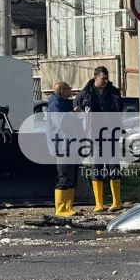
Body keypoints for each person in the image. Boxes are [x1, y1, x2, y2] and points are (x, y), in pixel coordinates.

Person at [74, 66, 123, 213]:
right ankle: (99, 204)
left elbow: (120, 109)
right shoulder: (85, 93)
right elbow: (75, 113)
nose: (106, 81)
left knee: (114, 166)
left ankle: (117, 202)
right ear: (96, 77)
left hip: (112, 134)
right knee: (97, 168)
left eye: (107, 78)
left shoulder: (113, 92)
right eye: (103, 79)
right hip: (94, 135)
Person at [47, 81, 80, 217]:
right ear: (61, 91)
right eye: (68, 89)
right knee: (64, 177)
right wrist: (74, 113)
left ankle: (69, 206)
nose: (70, 91)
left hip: (71, 144)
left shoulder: (64, 102)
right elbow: (62, 123)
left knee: (72, 177)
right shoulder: (55, 104)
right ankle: (61, 208)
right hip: (62, 146)